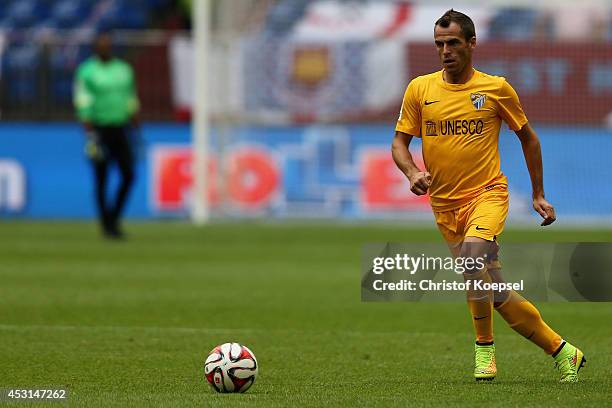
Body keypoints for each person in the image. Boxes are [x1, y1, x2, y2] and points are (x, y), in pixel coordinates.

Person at [392, 9, 585, 382]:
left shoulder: (495, 88)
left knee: (471, 260)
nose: (445, 51)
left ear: (471, 44)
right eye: (439, 44)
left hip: (487, 194)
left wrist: (538, 193)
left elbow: (528, 137)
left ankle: (484, 350)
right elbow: (400, 143)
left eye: (452, 43)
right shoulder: (420, 89)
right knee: (495, 293)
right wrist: (413, 171)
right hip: (444, 206)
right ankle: (564, 351)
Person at [74, 32, 140, 239]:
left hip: (121, 128)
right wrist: (88, 128)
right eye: (100, 45)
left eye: (107, 44)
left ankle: (113, 217)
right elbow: (82, 99)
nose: (104, 48)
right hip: (99, 129)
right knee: (101, 177)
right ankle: (107, 225)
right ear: (95, 48)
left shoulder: (124, 70)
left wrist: (134, 117)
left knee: (129, 175)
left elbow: (130, 96)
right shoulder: (87, 71)